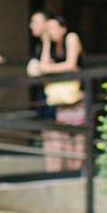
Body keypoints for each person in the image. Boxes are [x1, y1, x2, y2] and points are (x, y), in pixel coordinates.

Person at [35, 14, 85, 172]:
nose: (51, 31)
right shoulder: (51, 45)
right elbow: (42, 65)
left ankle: (78, 172)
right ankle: (68, 172)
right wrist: (46, 42)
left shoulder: (71, 37)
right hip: (60, 99)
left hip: (77, 96)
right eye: (48, 29)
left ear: (63, 28)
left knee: (78, 136)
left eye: (54, 28)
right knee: (63, 137)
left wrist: (50, 69)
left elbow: (71, 64)